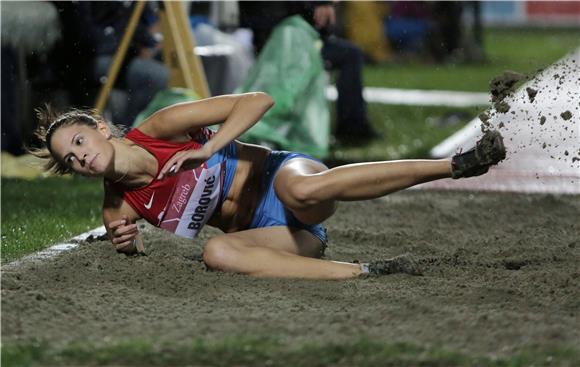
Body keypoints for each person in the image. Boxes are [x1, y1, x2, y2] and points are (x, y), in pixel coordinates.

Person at [29, 93, 506, 280]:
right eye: (69, 159)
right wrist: (128, 247)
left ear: (99, 127)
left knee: (301, 192)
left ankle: (455, 165)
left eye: (78, 140)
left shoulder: (161, 127)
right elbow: (133, 255)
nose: (80, 155)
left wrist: (208, 146)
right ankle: (367, 270)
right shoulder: (118, 208)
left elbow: (259, 101)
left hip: (290, 179)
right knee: (216, 255)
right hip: (286, 238)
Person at [239, 2, 377, 142]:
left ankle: (351, 126)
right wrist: (319, 3)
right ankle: (352, 127)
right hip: (285, 42)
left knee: (348, 54)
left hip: (267, 37)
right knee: (351, 55)